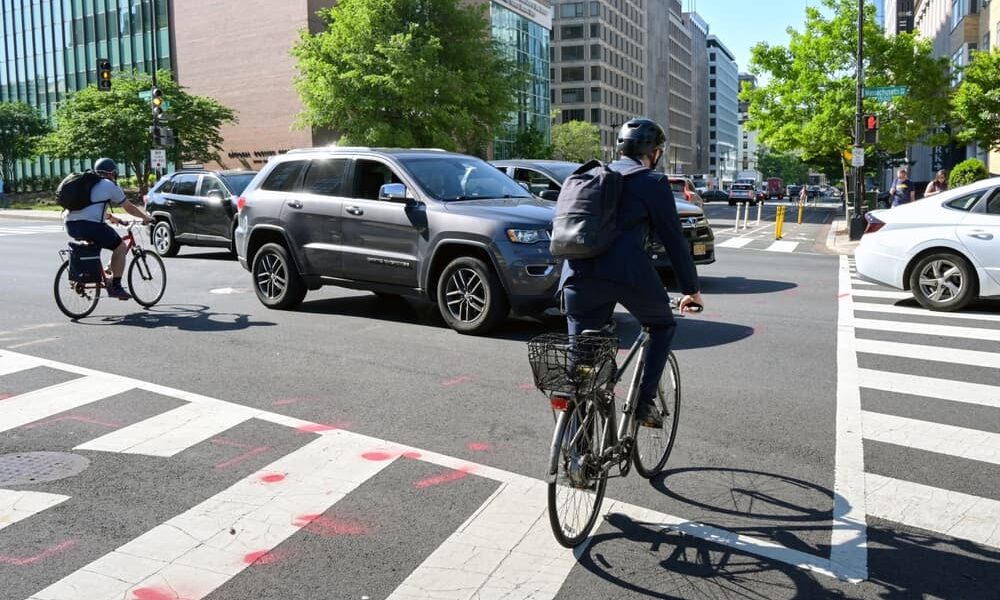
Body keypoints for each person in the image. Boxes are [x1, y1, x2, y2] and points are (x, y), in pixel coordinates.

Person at [560, 118, 704, 428]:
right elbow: (673, 240)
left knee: (580, 361)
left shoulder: (588, 175)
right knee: (661, 325)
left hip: (575, 273)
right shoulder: (652, 182)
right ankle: (643, 403)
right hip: (627, 274)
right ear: (654, 153)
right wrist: (691, 289)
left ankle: (576, 450)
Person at [63, 158, 153, 300]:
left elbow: (89, 208)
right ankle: (116, 287)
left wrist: (112, 218)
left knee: (94, 245)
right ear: (111, 172)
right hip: (91, 226)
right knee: (121, 247)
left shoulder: (87, 183)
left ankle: (89, 275)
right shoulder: (108, 185)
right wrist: (146, 217)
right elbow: (129, 207)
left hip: (71, 225)